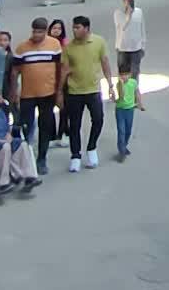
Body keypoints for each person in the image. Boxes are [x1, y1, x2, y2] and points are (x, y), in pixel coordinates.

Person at [59, 14, 114, 172]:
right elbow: (64, 70)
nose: (74, 30)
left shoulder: (98, 42)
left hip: (93, 89)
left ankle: (91, 147)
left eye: (78, 27)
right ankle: (75, 156)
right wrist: (59, 92)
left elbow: (104, 62)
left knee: (98, 119)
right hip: (74, 91)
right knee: (74, 125)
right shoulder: (69, 47)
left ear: (86, 28)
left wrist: (110, 84)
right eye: (73, 27)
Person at [12, 16, 64, 176]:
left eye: (40, 32)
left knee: (45, 126)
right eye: (34, 32)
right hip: (27, 95)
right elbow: (15, 71)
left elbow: (59, 68)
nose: (36, 35)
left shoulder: (54, 45)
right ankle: (25, 158)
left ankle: (42, 158)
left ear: (45, 31)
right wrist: (14, 91)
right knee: (25, 126)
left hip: (48, 94)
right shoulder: (22, 48)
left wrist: (59, 91)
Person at [113, 53, 145, 160]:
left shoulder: (133, 83)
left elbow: (137, 93)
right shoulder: (119, 84)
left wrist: (140, 104)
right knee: (121, 130)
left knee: (128, 130)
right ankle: (121, 151)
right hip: (120, 109)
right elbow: (121, 96)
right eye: (122, 75)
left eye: (126, 74)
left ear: (130, 74)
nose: (124, 77)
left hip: (130, 109)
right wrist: (121, 84)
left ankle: (124, 145)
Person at [113, 0, 147, 77]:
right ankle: (123, 86)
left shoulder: (139, 12)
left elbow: (142, 28)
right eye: (128, 1)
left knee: (135, 74)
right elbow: (122, 27)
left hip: (136, 48)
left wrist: (143, 46)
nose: (130, 3)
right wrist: (128, 15)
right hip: (122, 48)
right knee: (123, 75)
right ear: (123, 2)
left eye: (132, 0)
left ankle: (135, 85)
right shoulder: (118, 13)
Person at [47, 17, 69, 145]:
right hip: (48, 79)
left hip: (63, 79)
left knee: (64, 108)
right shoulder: (45, 44)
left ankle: (63, 133)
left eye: (59, 28)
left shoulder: (65, 45)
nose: (56, 30)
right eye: (54, 28)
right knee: (48, 108)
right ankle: (51, 136)